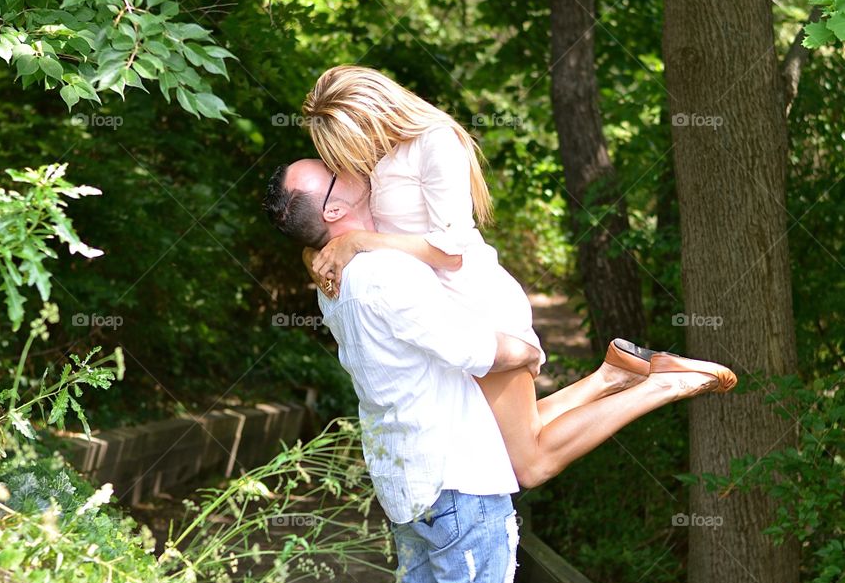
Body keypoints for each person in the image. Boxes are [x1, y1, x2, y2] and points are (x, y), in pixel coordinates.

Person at [262, 160, 735, 583]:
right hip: (456, 474)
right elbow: (475, 351)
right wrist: (526, 349)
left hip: (408, 476)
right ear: (336, 210)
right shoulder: (380, 272)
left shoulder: (338, 276)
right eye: (334, 174)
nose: (350, 169)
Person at [300, 65, 737, 489]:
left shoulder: (435, 142)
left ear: (370, 111)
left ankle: (663, 384)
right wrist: (317, 252)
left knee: (530, 464)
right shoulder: (373, 160)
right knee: (504, 445)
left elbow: (449, 253)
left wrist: (356, 242)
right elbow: (322, 224)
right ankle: (612, 374)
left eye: (345, 143)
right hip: (441, 311)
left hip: (474, 304)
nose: (343, 160)